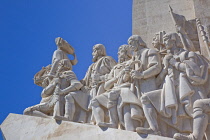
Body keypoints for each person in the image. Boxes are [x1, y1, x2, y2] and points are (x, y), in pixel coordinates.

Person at [136, 33, 210, 137]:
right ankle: (154, 129)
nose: (164, 42)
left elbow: (195, 72)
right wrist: (165, 68)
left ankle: (196, 135)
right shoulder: (167, 58)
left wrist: (175, 63)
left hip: (189, 89)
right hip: (170, 91)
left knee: (196, 109)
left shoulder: (189, 54)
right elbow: (158, 82)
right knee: (146, 98)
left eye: (166, 39)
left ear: (174, 40)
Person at [91, 45, 144, 131]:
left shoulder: (131, 62)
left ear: (127, 53)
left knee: (114, 95)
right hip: (114, 89)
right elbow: (106, 85)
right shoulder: (115, 68)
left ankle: (114, 123)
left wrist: (126, 73)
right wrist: (116, 78)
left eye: (120, 52)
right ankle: (99, 126)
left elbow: (128, 79)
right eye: (118, 52)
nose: (118, 54)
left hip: (125, 89)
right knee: (95, 101)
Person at [81, 44, 117, 123]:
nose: (92, 53)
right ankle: (93, 121)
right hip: (92, 88)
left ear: (100, 51)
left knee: (97, 102)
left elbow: (116, 73)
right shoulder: (91, 66)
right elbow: (84, 80)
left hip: (103, 86)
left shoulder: (107, 59)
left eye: (94, 51)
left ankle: (102, 121)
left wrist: (101, 78)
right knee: (92, 103)